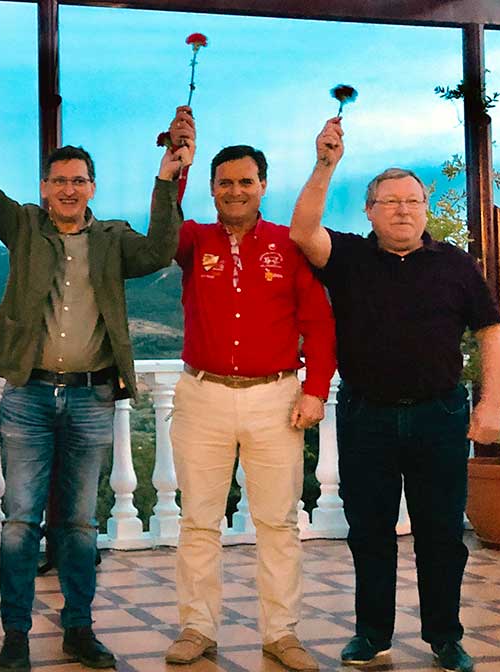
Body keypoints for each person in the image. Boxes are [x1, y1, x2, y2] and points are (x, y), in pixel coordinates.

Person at [0, 96, 193, 671]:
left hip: (91, 396)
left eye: (78, 180)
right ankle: (15, 634)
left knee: (81, 524)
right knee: (19, 522)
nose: (68, 189)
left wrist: (167, 177)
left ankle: (78, 630)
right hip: (28, 395)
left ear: (92, 187)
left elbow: (160, 250)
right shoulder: (23, 226)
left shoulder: (112, 238)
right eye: (58, 180)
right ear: (44, 187)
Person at [287, 118, 500, 672]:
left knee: (442, 534)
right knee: (369, 534)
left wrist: (490, 405)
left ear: (425, 208)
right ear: (369, 211)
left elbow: (492, 332)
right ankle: (371, 635)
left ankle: (445, 636)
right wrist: (325, 164)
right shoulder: (348, 258)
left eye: (412, 201)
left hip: (440, 416)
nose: (403, 211)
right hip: (368, 417)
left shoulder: (455, 265)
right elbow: (302, 231)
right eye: (389, 202)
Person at [159, 107, 335, 672]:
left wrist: (315, 389)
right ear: (212, 188)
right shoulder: (193, 240)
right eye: (225, 182)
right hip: (202, 395)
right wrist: (178, 162)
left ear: (263, 186)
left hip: (275, 398)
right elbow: (161, 229)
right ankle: (197, 628)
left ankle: (282, 633)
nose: (235, 191)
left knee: (278, 522)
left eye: (246, 181)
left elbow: (319, 323)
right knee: (198, 520)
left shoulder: (289, 244)